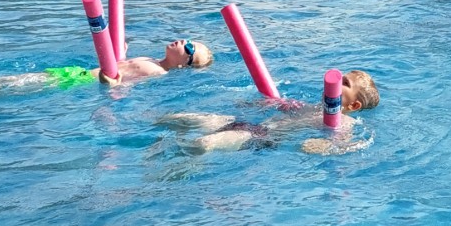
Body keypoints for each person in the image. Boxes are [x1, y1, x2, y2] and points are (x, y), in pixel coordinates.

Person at [158, 69, 379, 154]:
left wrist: (321, 147)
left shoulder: (345, 122)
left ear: (354, 106)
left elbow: (343, 144)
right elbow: (284, 106)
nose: (337, 82)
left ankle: (184, 160)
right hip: (248, 124)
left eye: (345, 83)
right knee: (178, 118)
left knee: (203, 143)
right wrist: (264, 104)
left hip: (260, 138)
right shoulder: (312, 107)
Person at [0, 38, 215, 89]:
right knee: (11, 81)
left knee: (17, 83)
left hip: (81, 81)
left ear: (183, 66)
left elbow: (127, 84)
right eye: (188, 40)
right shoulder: (151, 60)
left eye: (189, 48)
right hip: (78, 72)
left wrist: (113, 85)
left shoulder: (158, 73)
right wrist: (121, 55)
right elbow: (122, 66)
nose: (184, 42)